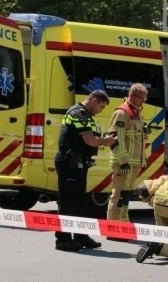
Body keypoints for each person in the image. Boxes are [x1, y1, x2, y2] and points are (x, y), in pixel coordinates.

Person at [54, 90, 117, 251]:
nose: (100, 110)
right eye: (101, 106)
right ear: (94, 100)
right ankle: (63, 239)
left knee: (80, 201)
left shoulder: (86, 116)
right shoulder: (78, 114)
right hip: (70, 162)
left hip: (78, 162)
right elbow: (90, 140)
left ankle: (80, 236)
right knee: (68, 202)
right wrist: (106, 141)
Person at [107, 83, 148, 224]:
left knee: (125, 195)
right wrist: (123, 160)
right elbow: (115, 139)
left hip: (132, 163)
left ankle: (123, 224)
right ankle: (113, 227)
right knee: (118, 195)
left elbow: (135, 138)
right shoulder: (122, 113)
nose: (144, 101)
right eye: (141, 98)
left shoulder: (136, 112)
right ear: (132, 96)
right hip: (124, 163)